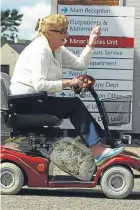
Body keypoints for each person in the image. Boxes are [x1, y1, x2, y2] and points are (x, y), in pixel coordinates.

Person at [9, 14, 124, 166]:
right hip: (25, 101)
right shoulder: (40, 50)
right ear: (49, 33)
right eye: (63, 31)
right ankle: (97, 149)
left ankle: (100, 144)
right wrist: (69, 82)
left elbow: (80, 64)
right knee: (73, 105)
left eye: (66, 30)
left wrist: (91, 42)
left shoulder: (57, 49)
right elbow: (39, 84)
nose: (67, 35)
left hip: (36, 98)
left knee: (73, 104)